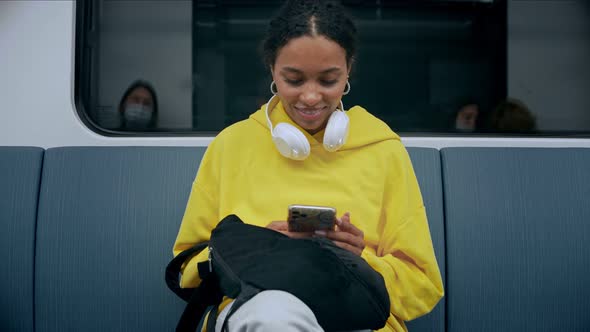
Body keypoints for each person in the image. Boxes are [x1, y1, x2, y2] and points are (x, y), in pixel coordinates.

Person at [173, 1, 443, 331]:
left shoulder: (384, 151)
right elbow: (188, 267)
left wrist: (357, 263)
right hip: (262, 308)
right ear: (272, 69)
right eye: (294, 80)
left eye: (328, 80)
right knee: (273, 317)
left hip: (356, 311)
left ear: (348, 70)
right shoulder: (231, 146)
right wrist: (257, 251)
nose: (311, 97)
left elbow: (422, 285)